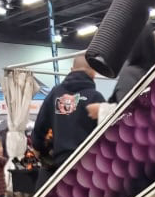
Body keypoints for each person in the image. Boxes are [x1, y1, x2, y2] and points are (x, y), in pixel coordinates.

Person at [32, 54, 104, 187]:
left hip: (60, 166)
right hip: (88, 168)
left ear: (71, 70)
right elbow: (105, 134)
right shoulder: (96, 97)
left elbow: (40, 126)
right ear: (93, 73)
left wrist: (38, 147)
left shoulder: (55, 93)